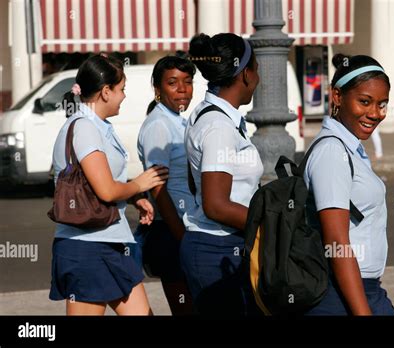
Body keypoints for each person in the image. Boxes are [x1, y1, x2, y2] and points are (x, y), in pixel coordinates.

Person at [49, 54, 168, 315]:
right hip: (87, 247)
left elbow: (102, 181)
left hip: (110, 242)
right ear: (105, 92)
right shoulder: (85, 128)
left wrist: (134, 197)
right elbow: (106, 190)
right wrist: (139, 184)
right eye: (121, 89)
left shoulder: (97, 126)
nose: (124, 96)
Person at [304, 54, 394, 315]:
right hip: (341, 294)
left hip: (365, 289)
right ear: (337, 96)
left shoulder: (350, 148)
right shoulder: (333, 152)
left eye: (382, 104)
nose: (375, 113)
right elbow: (336, 241)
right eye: (365, 102)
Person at [180, 33, 263, 315]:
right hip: (217, 249)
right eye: (257, 67)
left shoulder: (212, 114)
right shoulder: (219, 126)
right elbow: (215, 205)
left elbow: (197, 182)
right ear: (246, 75)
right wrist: (267, 223)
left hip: (221, 246)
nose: (259, 77)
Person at [134, 55, 196, 315]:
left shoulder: (178, 120)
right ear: (157, 89)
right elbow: (158, 187)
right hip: (172, 230)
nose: (182, 89)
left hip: (186, 227)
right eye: (173, 83)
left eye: (188, 81)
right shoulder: (159, 125)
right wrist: (182, 238)